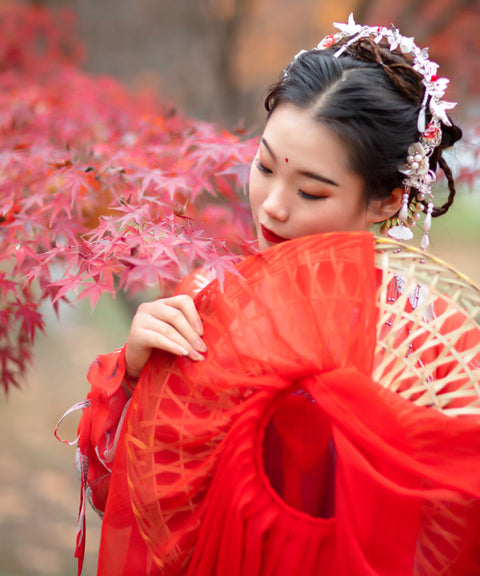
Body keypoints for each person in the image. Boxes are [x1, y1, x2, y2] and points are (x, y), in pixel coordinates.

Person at [62, 15, 480, 576]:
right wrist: (137, 377)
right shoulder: (206, 302)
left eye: (311, 190)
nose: (273, 206)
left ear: (386, 201)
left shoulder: (433, 347)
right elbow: (133, 499)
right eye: (264, 166)